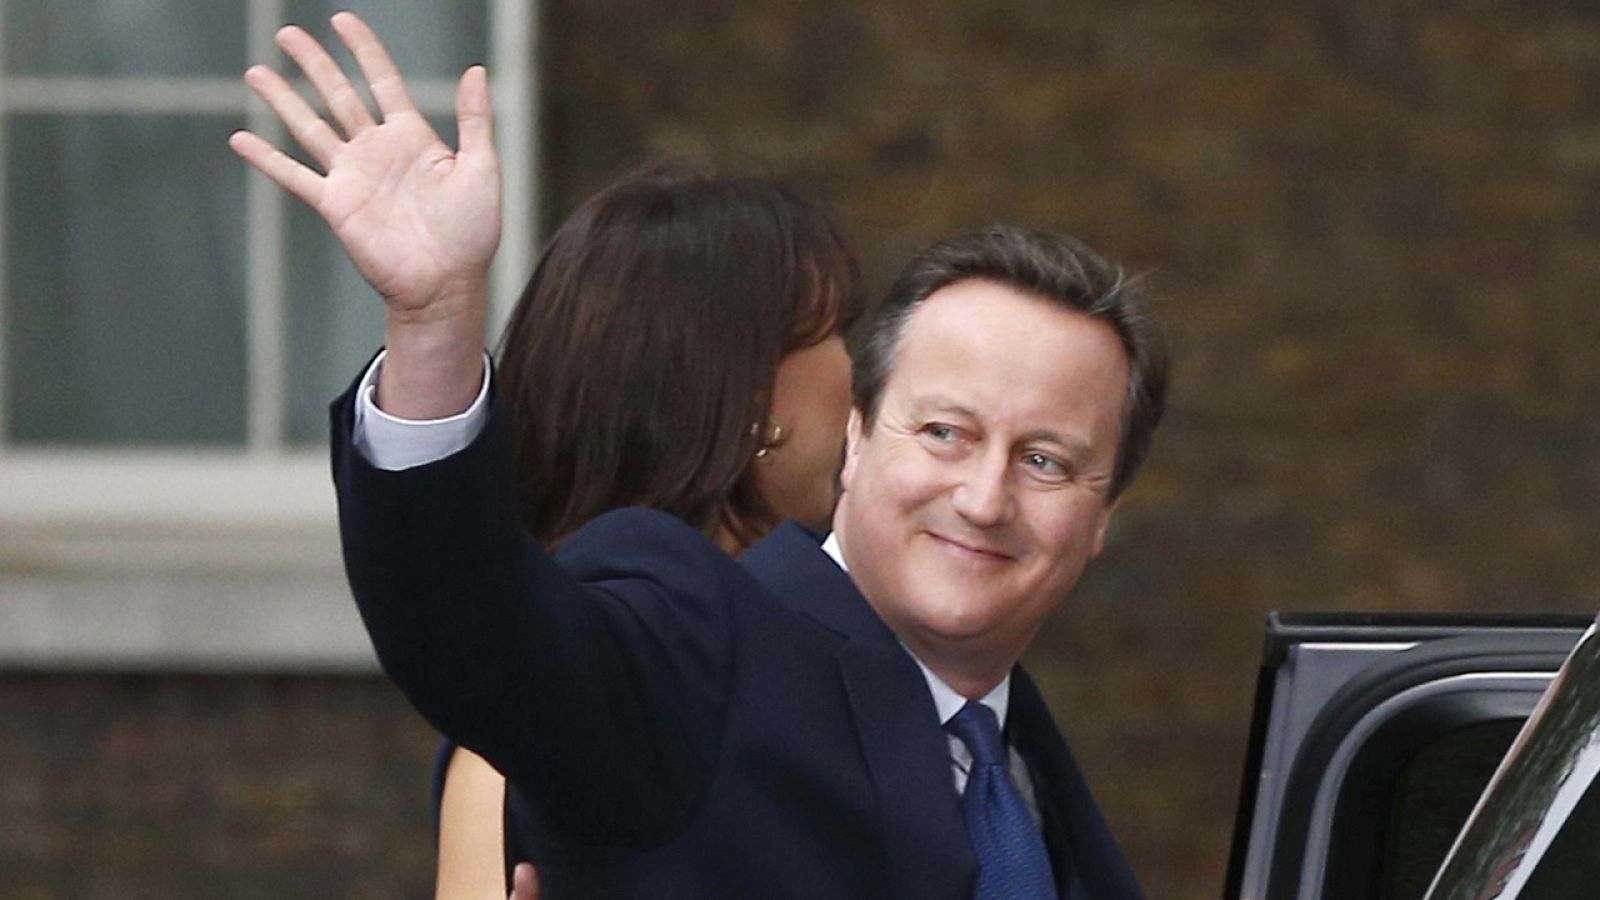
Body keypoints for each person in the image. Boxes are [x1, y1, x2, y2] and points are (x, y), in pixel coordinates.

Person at [237, 12, 1168, 899]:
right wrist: (436, 327)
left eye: (1046, 461)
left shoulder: (1022, 759)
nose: (984, 497)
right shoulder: (696, 641)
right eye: (944, 433)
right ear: (858, 433)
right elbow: (472, 630)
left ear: (1104, 515)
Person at [228, 14, 861, 900]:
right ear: (752, 397)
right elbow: (469, 626)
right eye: (838, 331)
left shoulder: (848, 620)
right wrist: (434, 326)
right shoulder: (648, 654)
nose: (863, 371)